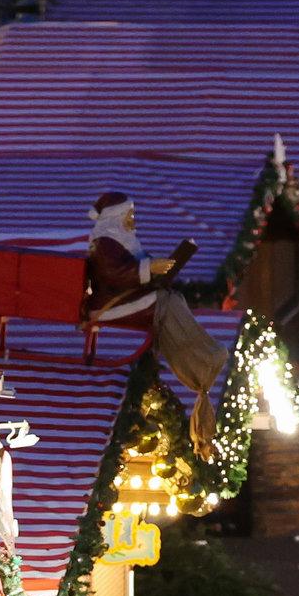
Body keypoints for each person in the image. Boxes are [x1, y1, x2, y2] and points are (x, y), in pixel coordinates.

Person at [86, 192, 224, 449]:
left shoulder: (121, 239)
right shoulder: (106, 242)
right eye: (130, 214)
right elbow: (114, 274)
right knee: (165, 305)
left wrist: (158, 268)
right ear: (117, 216)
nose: (133, 220)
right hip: (109, 305)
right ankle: (202, 361)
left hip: (126, 297)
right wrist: (149, 268)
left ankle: (201, 359)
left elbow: (134, 266)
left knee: (171, 299)